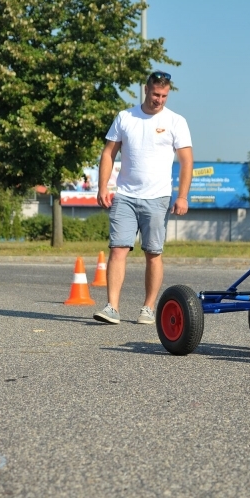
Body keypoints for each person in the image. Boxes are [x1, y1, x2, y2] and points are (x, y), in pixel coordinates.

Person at [93, 71, 193, 325]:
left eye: (164, 96)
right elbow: (108, 154)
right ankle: (112, 307)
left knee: (153, 252)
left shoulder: (176, 121)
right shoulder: (125, 117)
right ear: (146, 89)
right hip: (125, 195)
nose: (159, 100)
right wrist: (102, 186)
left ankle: (148, 308)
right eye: (156, 94)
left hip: (158, 197)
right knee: (117, 249)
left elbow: (186, 161)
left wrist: (182, 196)